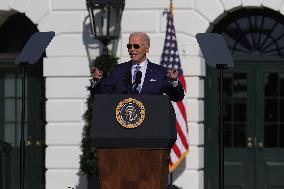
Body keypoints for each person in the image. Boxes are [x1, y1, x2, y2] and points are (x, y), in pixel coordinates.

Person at [91, 32, 184, 102]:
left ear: (147, 48)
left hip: (151, 124)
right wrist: (96, 81)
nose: (132, 49)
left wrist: (174, 82)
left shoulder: (159, 72)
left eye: (136, 46)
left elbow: (177, 97)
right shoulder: (118, 70)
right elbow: (100, 95)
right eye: (129, 46)